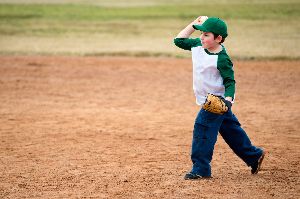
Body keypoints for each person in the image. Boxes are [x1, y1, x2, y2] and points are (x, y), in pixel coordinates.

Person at [174, 16, 265, 180]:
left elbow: (230, 81)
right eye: (202, 33)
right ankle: (253, 155)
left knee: (202, 130)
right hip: (209, 101)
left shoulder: (222, 59)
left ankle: (201, 168)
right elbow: (178, 41)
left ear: (218, 38)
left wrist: (229, 100)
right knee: (231, 131)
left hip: (216, 103)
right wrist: (194, 25)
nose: (202, 37)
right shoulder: (197, 45)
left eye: (206, 35)